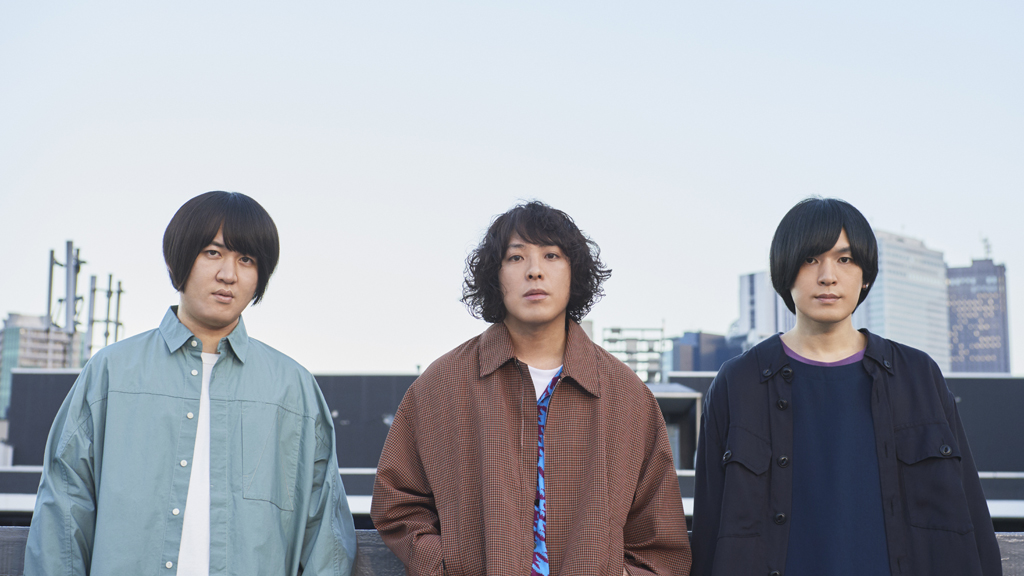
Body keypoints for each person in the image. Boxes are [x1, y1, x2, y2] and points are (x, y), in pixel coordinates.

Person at [25, 191, 356, 576]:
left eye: (247, 260)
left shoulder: (292, 389)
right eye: (213, 253)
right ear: (177, 259)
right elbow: (63, 515)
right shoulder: (112, 373)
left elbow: (326, 538)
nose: (229, 275)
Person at [371, 201, 692, 576]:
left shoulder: (627, 396)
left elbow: (660, 541)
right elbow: (397, 501)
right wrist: (445, 566)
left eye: (551, 255)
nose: (534, 271)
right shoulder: (442, 385)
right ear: (495, 275)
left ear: (574, 272)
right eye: (516, 257)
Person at [690, 197, 1001, 576]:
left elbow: (970, 516)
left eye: (845, 259)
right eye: (810, 259)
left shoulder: (918, 376)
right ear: (785, 271)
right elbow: (709, 529)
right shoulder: (738, 382)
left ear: (865, 275)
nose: (828, 276)